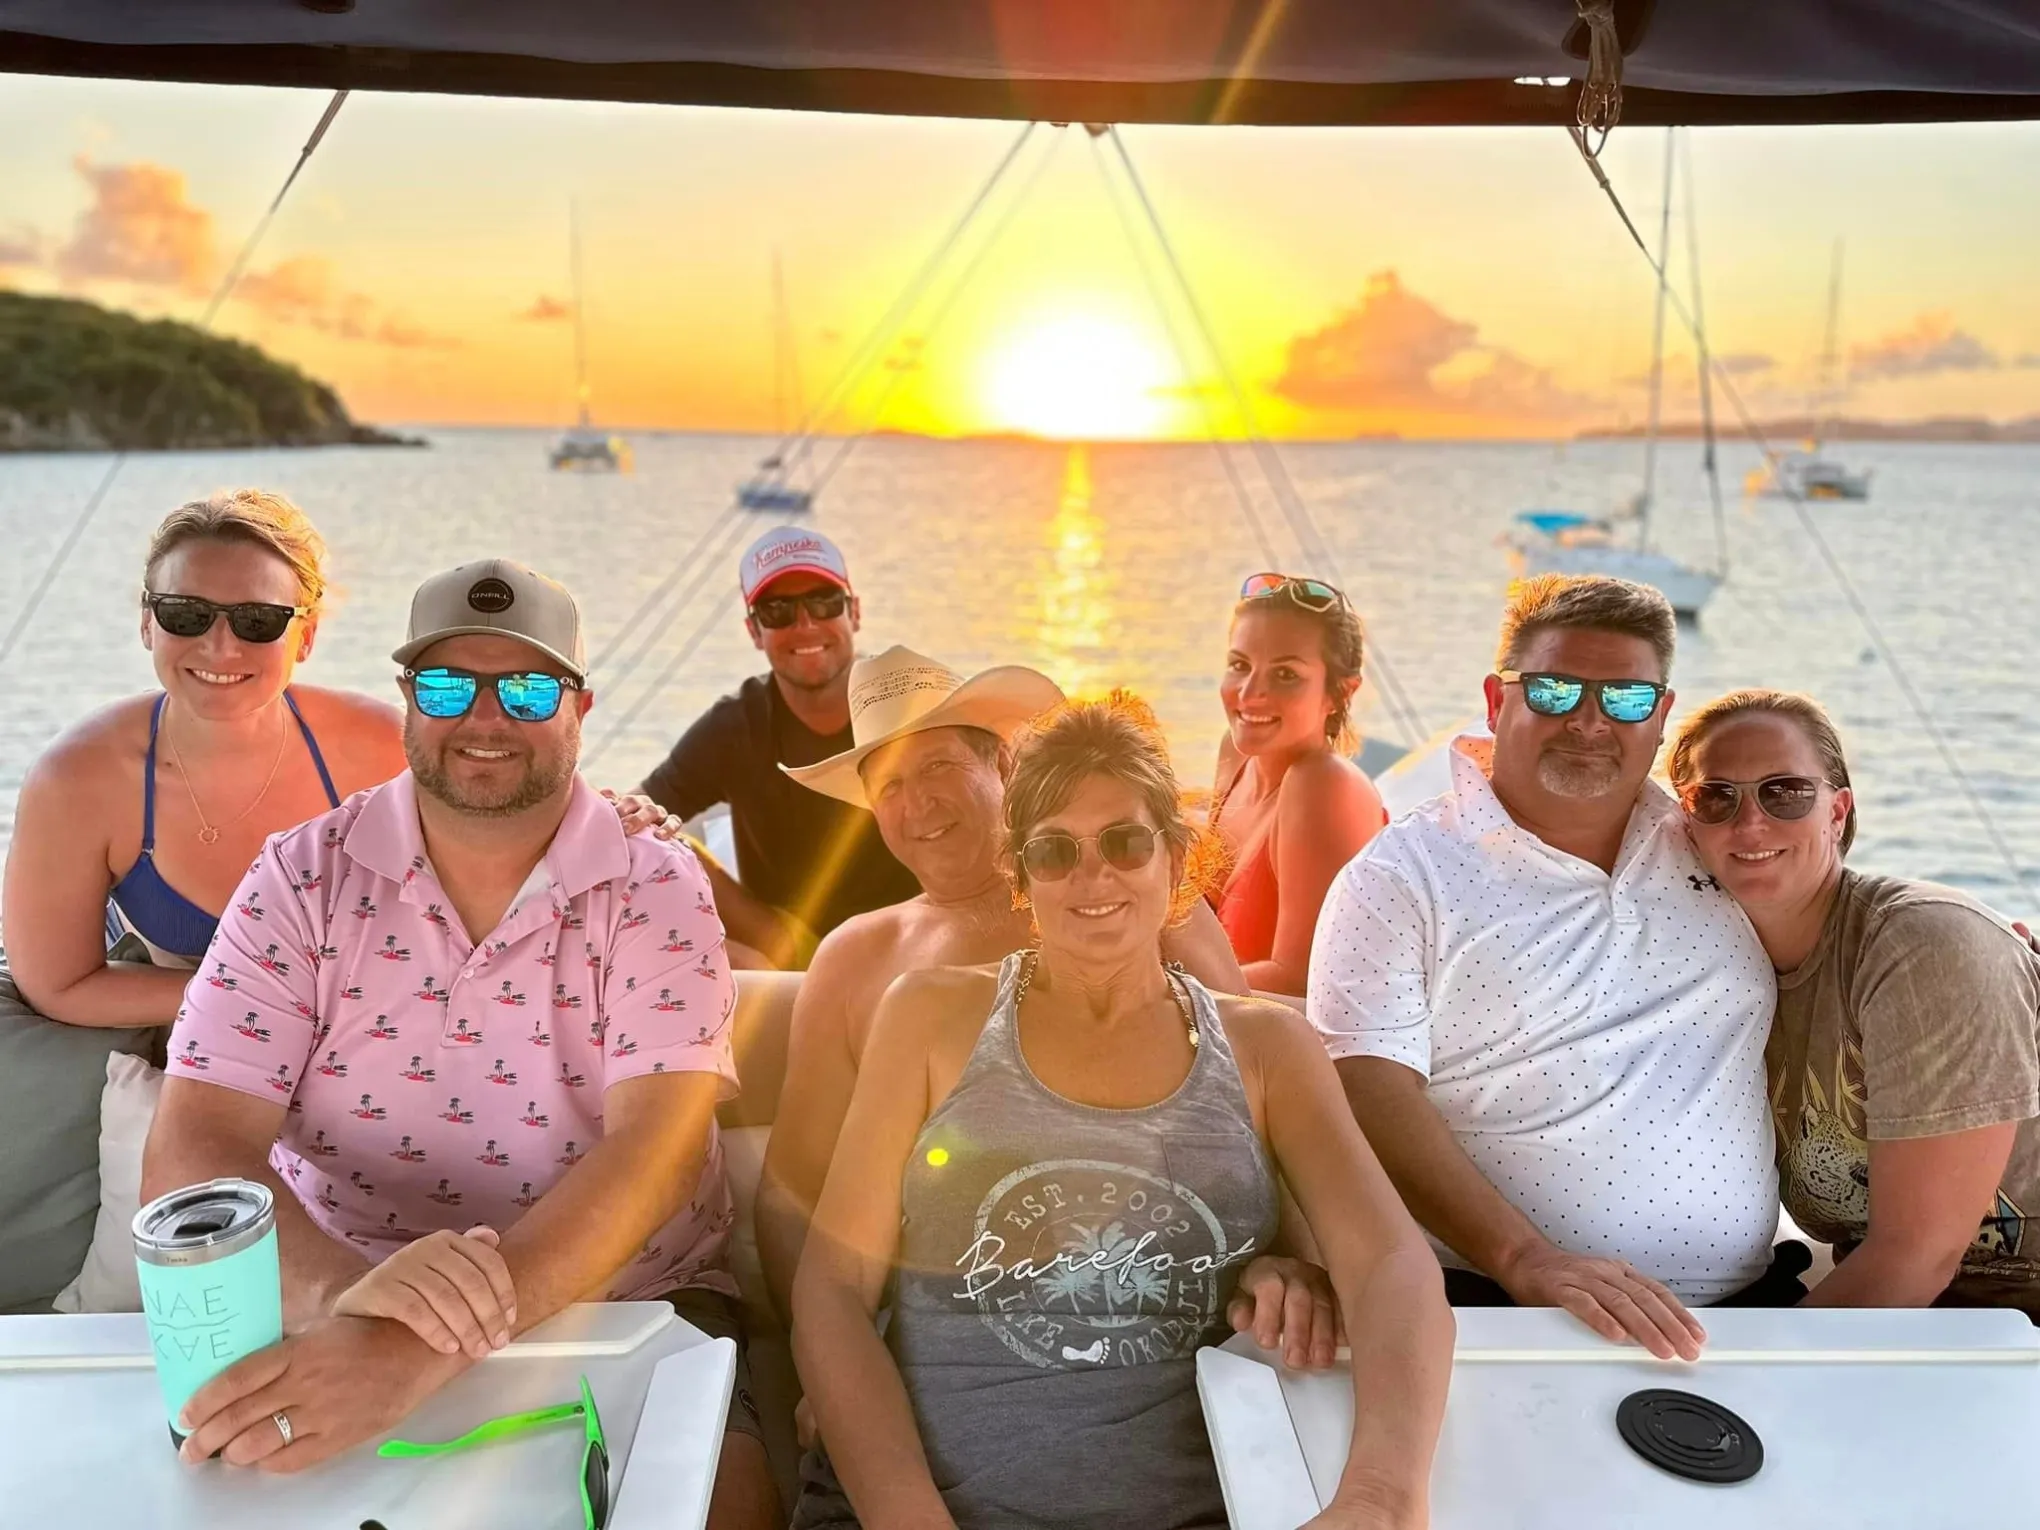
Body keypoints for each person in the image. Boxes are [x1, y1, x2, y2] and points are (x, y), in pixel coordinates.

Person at [140, 559, 778, 1529]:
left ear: (581, 706)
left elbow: (650, 1155)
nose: (486, 716)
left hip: (633, 1299)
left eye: (525, 686)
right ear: (406, 701)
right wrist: (358, 1306)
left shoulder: (656, 886)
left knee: (720, 1509)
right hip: (339, 1296)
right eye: (447, 685)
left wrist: (415, 1348)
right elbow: (193, 1147)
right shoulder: (301, 879)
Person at [790, 694, 1451, 1530]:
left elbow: (1390, 1264)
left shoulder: (1268, 1050)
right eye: (1055, 851)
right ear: (1020, 874)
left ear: (1175, 862)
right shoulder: (925, 1017)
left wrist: (1383, 1496)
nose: (1092, 876)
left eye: (1126, 842)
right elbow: (833, 1286)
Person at [757, 647, 1306, 1349]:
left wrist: (1290, 1261)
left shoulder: (1129, 899)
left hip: (1178, 1293)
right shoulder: (855, 959)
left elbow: (1259, 1100)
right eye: (889, 786)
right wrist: (817, 1360)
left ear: (1002, 766)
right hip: (951, 1334)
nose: (917, 803)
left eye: (939, 768)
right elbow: (788, 1193)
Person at [1311, 574, 1789, 1364]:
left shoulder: (1718, 842)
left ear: (1663, 716)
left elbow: (1836, 926)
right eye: (1556, 689)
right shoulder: (1403, 874)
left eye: (1627, 698)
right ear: (1499, 704)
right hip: (1494, 1309)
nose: (1590, 721)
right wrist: (1525, 1258)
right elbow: (1365, 1087)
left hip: (1745, 1317)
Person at [2, 489, 678, 1028]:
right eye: (186, 613)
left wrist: (601, 814)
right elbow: (60, 983)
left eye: (258, 621)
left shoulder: (374, 743)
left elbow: (504, 790)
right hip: (183, 1040)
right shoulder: (81, 779)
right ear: (148, 621)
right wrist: (271, 997)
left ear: (307, 638)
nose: (220, 645)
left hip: (364, 1035)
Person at [1669, 689, 2040, 1316]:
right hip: (1935, 1324)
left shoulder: (1922, 943)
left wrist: (1752, 1378)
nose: (1750, 822)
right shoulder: (1717, 980)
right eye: (1716, 796)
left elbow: (1919, 1255)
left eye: (1785, 792)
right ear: (1685, 823)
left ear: (1837, 812)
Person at [639, 527, 919, 967]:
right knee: (662, 840)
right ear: (754, 631)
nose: (805, 624)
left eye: (825, 602)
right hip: (789, 955)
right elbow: (635, 815)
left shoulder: (912, 707)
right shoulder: (735, 727)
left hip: (910, 944)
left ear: (855, 613)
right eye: (777, 611)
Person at [1210, 572, 1388, 994]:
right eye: (1239, 665)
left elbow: (1302, 981)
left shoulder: (1324, 787)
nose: (1250, 693)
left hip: (1281, 1050)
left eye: (1285, 674)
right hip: (1216, 1025)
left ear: (1340, 694)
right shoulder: (1236, 755)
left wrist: (1149, 985)